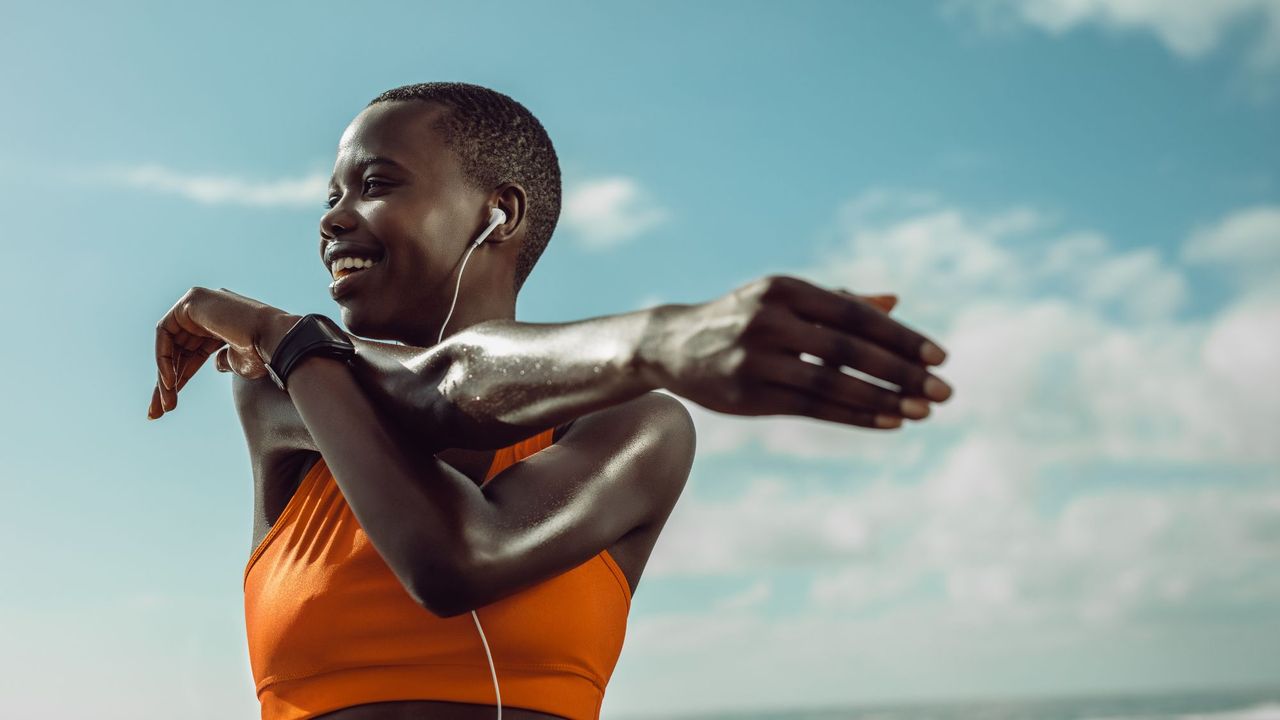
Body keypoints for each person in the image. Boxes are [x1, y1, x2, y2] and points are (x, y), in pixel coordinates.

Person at [148, 82, 953, 720]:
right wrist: (667, 340)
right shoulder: (284, 389)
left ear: (499, 213)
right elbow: (428, 391)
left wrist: (286, 332)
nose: (332, 218)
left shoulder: (636, 428)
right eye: (330, 195)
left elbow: (459, 551)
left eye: (376, 184)